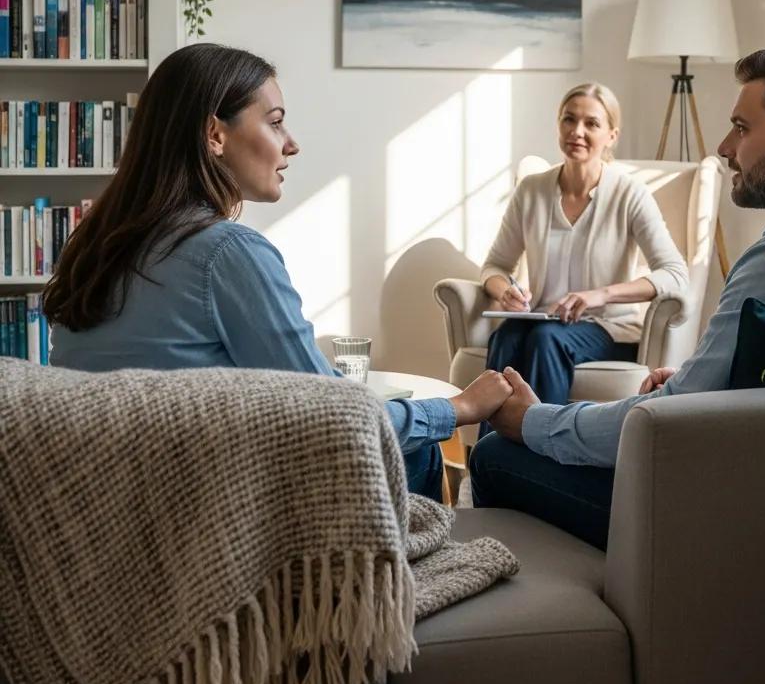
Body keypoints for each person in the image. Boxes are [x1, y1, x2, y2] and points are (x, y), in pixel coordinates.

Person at [470, 46, 765, 548]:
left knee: (496, 455)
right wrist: (701, 381)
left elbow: (669, 419)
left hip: (718, 509)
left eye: (741, 128)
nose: (724, 147)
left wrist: (535, 421)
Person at [45, 43, 510, 501]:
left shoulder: (92, 250)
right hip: (210, 506)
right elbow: (330, 415)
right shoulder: (228, 252)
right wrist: (459, 408)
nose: (291, 143)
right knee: (415, 450)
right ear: (214, 134)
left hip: (110, 501)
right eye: (275, 122)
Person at [479, 82, 687, 423]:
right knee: (507, 335)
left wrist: (599, 295)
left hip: (609, 328)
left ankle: (545, 447)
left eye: (591, 123)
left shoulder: (630, 194)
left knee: (547, 339)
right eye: (569, 119)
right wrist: (506, 292)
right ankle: (490, 453)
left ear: (611, 136)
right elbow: (494, 266)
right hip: (544, 322)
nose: (577, 131)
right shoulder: (531, 191)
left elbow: (675, 274)